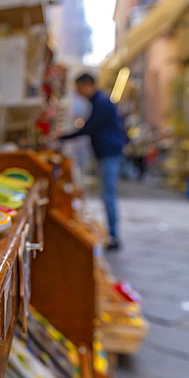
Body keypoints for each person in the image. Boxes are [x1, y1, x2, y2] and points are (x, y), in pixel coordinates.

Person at [59, 73, 128, 250]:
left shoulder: (102, 103)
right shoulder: (99, 102)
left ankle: (113, 236)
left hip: (109, 153)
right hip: (106, 153)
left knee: (108, 194)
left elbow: (89, 127)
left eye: (79, 87)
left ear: (88, 84)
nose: (77, 92)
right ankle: (112, 234)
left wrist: (63, 137)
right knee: (107, 194)